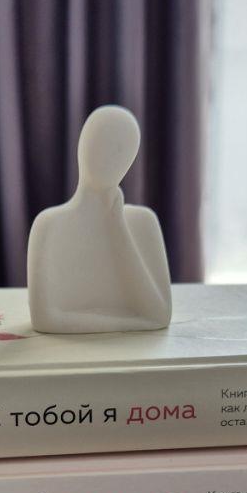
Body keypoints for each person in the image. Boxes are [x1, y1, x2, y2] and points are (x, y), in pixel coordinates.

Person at [27, 105, 172, 333]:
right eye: (102, 143)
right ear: (82, 147)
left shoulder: (143, 222)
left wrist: (118, 228)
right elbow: (45, 320)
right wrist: (133, 324)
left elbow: (159, 315)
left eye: (122, 150)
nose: (111, 157)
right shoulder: (49, 225)